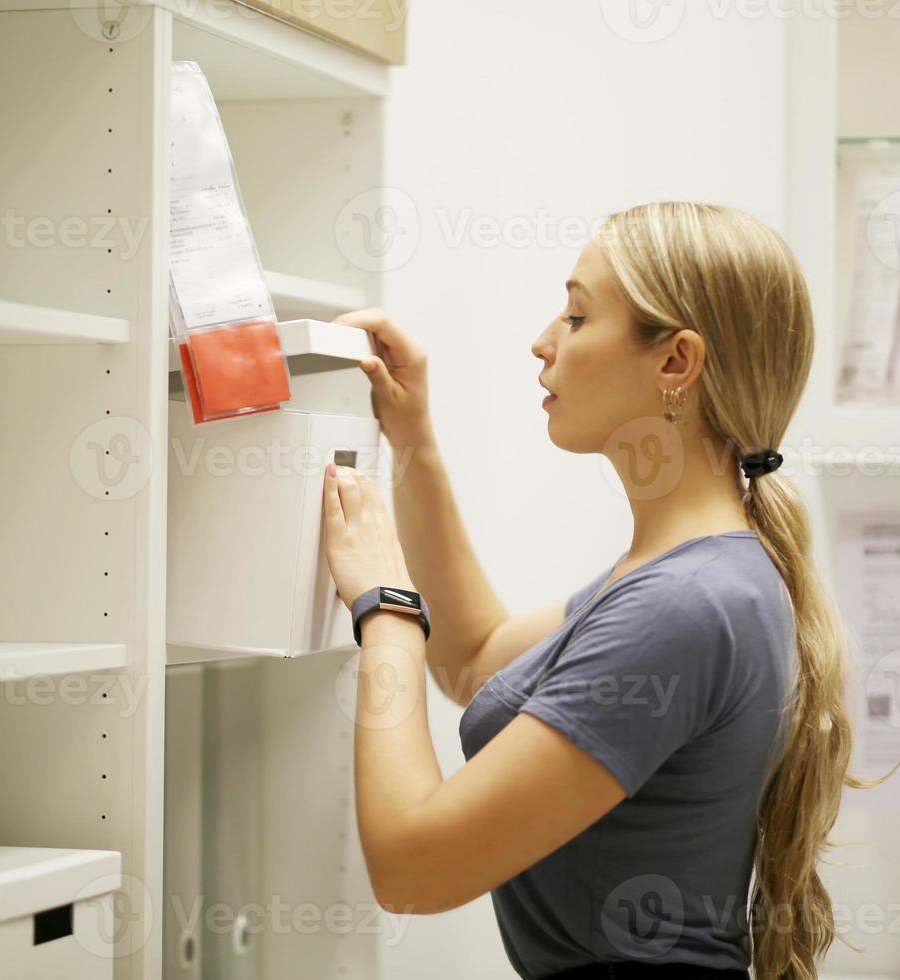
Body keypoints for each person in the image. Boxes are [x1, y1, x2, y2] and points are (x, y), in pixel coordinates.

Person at [320, 201, 862, 980]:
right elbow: (472, 658)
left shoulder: (684, 604)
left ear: (676, 363)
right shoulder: (699, 578)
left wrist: (386, 609)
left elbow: (413, 871)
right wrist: (414, 441)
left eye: (576, 317)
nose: (542, 342)